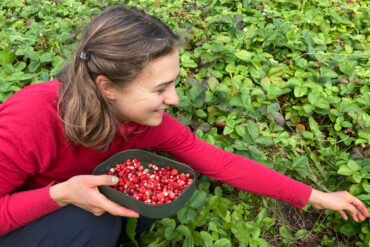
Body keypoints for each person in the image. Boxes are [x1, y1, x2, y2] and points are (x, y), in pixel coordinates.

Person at [0, 5, 368, 247]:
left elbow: (221, 164)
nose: (174, 99)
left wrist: (316, 197)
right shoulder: (32, 118)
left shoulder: (143, 122)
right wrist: (60, 194)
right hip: (18, 216)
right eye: (161, 88)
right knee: (93, 224)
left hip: (72, 199)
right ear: (107, 88)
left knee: (145, 200)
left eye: (174, 83)